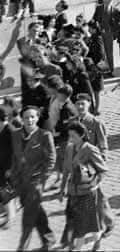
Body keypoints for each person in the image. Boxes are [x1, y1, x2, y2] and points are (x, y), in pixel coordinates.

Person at [10, 105, 56, 251]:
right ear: (22, 119)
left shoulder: (45, 135)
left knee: (28, 217)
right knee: (35, 210)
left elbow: (51, 159)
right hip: (20, 181)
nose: (29, 120)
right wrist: (13, 176)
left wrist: (42, 179)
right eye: (26, 117)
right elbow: (14, 157)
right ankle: (49, 238)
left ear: (37, 118)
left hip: (36, 182)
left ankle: (22, 247)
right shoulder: (16, 134)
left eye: (32, 117)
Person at [60, 121, 111, 250]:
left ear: (82, 135)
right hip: (72, 192)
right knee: (73, 222)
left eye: (73, 136)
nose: (71, 139)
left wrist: (95, 185)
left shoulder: (90, 149)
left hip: (87, 193)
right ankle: (89, 241)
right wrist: (62, 188)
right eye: (69, 136)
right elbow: (66, 169)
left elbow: (103, 170)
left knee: (83, 225)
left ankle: (82, 246)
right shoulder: (69, 148)